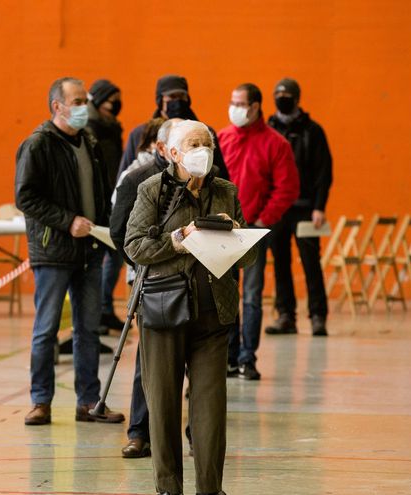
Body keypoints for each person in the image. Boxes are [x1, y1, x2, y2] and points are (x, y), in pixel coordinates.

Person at [125, 119, 257, 495]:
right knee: (163, 405)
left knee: (211, 408)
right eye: (194, 144)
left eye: (207, 144)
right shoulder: (152, 189)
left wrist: (238, 236)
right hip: (164, 311)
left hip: (214, 313)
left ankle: (210, 488)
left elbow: (248, 256)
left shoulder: (225, 191)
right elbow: (134, 245)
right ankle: (168, 487)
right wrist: (177, 241)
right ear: (173, 152)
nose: (203, 150)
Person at [15, 77, 123, 426]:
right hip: (54, 251)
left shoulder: (89, 141)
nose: (83, 107)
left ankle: (89, 401)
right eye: (76, 101)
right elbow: (26, 198)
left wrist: (108, 231)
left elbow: (101, 191)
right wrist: (66, 221)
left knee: (88, 329)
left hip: (91, 249)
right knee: (46, 329)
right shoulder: (37, 144)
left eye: (84, 100)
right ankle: (40, 400)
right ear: (56, 106)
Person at [218, 83, 300, 380]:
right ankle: (227, 355)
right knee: (225, 295)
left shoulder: (276, 144)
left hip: (253, 230)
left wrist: (264, 220)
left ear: (255, 107)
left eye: (240, 103)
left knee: (251, 296)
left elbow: (287, 188)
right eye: (232, 102)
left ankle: (247, 357)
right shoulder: (221, 138)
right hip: (223, 231)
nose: (235, 108)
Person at [109, 117, 172, 458]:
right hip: (149, 279)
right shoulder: (137, 179)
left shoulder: (209, 181)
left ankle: (192, 434)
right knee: (148, 359)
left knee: (196, 364)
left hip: (194, 283)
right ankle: (139, 432)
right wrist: (139, 263)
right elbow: (119, 231)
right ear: (163, 147)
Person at [265, 78, 332, 337]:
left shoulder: (313, 131)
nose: (282, 97)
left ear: (297, 98)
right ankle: (286, 316)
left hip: (305, 207)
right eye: (278, 93)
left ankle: (318, 316)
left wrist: (319, 206)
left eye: (287, 94)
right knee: (280, 262)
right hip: (277, 207)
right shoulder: (268, 129)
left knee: (310, 263)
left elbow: (323, 172)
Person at [118, 75, 227, 181]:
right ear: (160, 100)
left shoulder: (204, 132)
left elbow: (221, 176)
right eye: (172, 97)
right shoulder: (141, 133)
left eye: (182, 96)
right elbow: (125, 176)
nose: (178, 101)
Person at [85, 79, 126, 333]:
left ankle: (106, 308)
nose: (115, 105)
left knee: (115, 255)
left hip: (114, 198)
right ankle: (98, 310)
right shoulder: (90, 128)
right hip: (99, 201)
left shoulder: (112, 126)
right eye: (111, 100)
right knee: (104, 256)